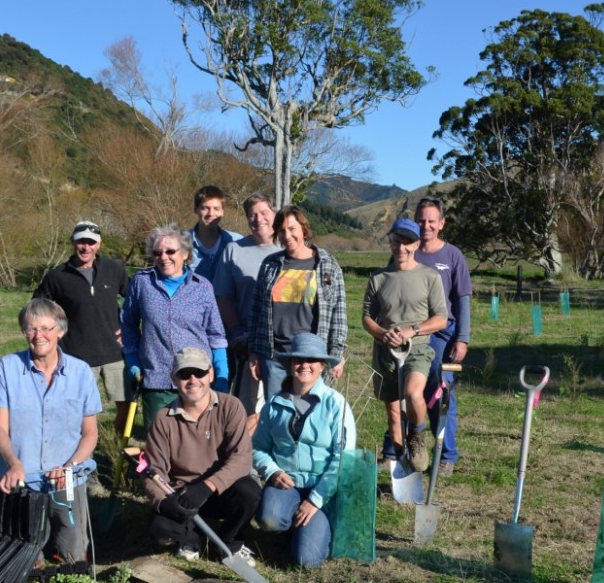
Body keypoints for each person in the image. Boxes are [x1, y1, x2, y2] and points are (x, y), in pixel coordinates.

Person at [0, 298, 102, 565]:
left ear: (60, 330)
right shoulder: (6, 368)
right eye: (32, 329)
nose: (39, 336)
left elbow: (90, 433)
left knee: (73, 558)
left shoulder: (80, 372)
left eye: (46, 328)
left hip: (67, 481)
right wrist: (13, 464)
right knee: (24, 561)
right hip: (22, 483)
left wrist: (69, 467)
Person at [32, 220, 129, 494]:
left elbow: (134, 298)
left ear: (99, 245)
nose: (85, 246)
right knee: (82, 417)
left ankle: (119, 460)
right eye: (80, 241)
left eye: (91, 241)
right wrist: (51, 337)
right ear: (73, 243)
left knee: (125, 409)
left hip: (115, 354)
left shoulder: (114, 270)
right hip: (76, 358)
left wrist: (131, 330)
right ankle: (87, 469)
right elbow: (38, 307)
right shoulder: (57, 276)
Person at [142, 347, 260, 564]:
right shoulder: (162, 419)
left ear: (211, 374)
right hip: (183, 496)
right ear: (174, 379)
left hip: (222, 489)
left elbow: (241, 458)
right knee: (161, 529)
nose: (193, 380)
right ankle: (191, 538)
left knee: (249, 492)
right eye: (184, 374)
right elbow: (153, 471)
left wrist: (207, 486)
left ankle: (229, 542)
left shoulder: (231, 406)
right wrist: (164, 502)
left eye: (199, 373)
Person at [251, 332, 356, 568]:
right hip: (286, 484)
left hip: (323, 489)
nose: (304, 365)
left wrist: (316, 500)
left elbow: (343, 460)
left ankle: (321, 525)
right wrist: (272, 472)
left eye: (312, 360)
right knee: (269, 519)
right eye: (298, 359)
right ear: (290, 364)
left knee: (305, 561)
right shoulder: (274, 403)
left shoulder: (336, 404)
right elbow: (258, 448)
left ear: (322, 366)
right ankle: (291, 525)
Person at [121, 224, 229, 431]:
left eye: (170, 251)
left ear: (185, 254)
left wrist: (222, 372)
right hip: (156, 378)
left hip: (195, 378)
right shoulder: (141, 283)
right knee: (160, 442)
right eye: (157, 252)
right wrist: (133, 360)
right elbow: (128, 324)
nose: (164, 257)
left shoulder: (202, 286)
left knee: (199, 440)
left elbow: (216, 333)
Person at [362, 218, 448, 471]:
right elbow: (367, 317)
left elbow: (441, 318)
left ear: (416, 244)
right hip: (386, 350)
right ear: (389, 241)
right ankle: (398, 458)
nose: (401, 247)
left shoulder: (430, 277)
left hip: (418, 348)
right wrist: (381, 333)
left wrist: (414, 330)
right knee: (392, 410)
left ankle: (418, 437)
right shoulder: (378, 278)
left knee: (412, 393)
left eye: (407, 242)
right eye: (396, 241)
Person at [248, 205, 347, 400]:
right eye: (282, 231)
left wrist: (336, 353)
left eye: (292, 229)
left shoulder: (326, 263)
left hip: (312, 357)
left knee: (310, 414)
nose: (287, 235)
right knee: (278, 415)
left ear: (303, 229)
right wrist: (254, 353)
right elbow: (256, 311)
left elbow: (339, 311)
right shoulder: (270, 264)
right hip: (274, 355)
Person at [212, 193, 281, 434]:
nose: (258, 219)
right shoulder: (234, 250)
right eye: (252, 215)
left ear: (275, 214)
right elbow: (223, 296)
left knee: (280, 401)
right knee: (247, 405)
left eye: (264, 213)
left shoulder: (288, 247)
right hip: (246, 343)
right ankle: (244, 456)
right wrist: (238, 333)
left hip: (281, 343)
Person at [414, 198, 472, 477]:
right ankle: (401, 449)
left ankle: (446, 455)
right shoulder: (408, 251)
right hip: (410, 331)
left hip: (442, 333)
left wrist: (462, 338)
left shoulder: (452, 256)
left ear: (441, 223)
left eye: (431, 221)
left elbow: (462, 299)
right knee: (406, 390)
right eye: (422, 220)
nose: (426, 226)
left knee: (440, 391)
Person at [189, 185, 241, 282]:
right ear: (196, 209)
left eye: (216, 208)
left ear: (223, 211)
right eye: (205, 208)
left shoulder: (237, 242)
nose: (211, 214)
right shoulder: (180, 243)